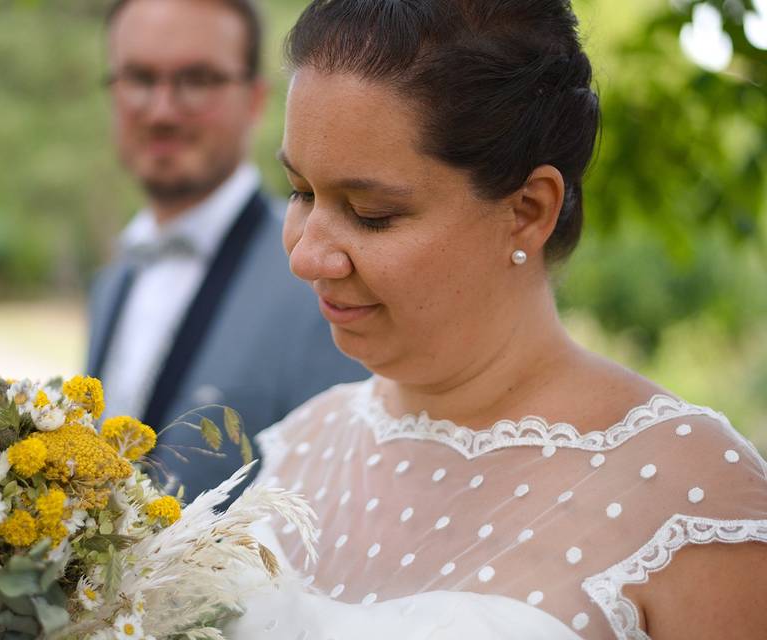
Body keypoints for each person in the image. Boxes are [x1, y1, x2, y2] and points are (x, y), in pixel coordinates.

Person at [226, 1, 767, 638]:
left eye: (371, 212)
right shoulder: (303, 445)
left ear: (529, 210)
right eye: (302, 192)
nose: (306, 255)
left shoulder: (691, 497)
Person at [87, 0, 364, 501]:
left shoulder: (323, 275)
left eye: (197, 80)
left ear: (256, 101)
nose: (162, 110)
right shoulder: (113, 279)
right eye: (139, 78)